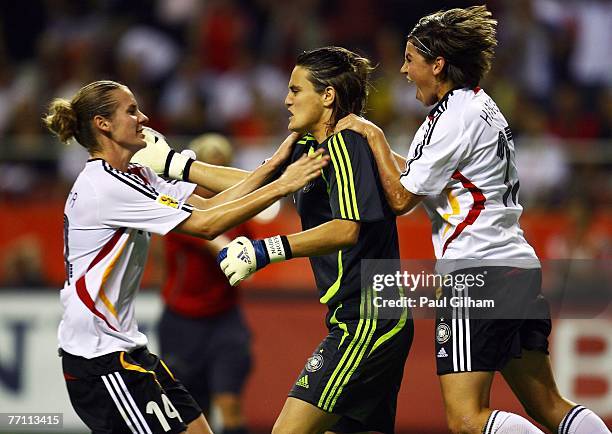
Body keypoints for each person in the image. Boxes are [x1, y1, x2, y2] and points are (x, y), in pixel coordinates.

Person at [334, 6, 611, 434]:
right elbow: (422, 176)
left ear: (437, 64)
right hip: (515, 266)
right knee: (549, 405)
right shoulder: (480, 105)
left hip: (476, 272)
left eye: (410, 59)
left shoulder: (451, 119)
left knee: (465, 418)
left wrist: (371, 134)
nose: (404, 71)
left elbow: (401, 197)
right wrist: (378, 149)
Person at [43, 79, 328, 434]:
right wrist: (284, 185)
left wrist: (275, 168)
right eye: (131, 111)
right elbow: (207, 225)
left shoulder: (134, 174)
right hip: (98, 359)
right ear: (103, 124)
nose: (143, 118)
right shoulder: (105, 187)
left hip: (126, 350)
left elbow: (209, 204)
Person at [218, 47, 414, 434]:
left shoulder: (346, 145)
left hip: (367, 320)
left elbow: (346, 229)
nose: (286, 99)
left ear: (328, 96)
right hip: (362, 317)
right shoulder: (313, 149)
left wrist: (265, 250)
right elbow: (252, 186)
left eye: (296, 89)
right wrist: (177, 167)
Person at [157, 133, 253, 434]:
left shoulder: (240, 211)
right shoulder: (176, 206)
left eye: (220, 168)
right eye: (207, 169)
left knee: (230, 404)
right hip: (182, 322)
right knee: (195, 414)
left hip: (225, 319)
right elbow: (213, 237)